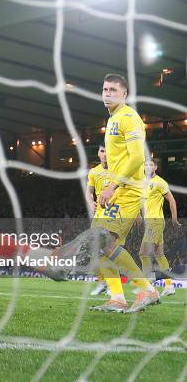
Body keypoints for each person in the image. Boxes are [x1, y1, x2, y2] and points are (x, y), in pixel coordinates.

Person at [86, 73, 158, 312]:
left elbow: (138, 157)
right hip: (117, 191)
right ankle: (117, 298)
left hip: (127, 190)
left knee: (105, 242)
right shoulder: (114, 118)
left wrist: (111, 185)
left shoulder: (129, 117)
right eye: (105, 89)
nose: (107, 93)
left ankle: (146, 289)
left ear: (124, 94)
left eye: (113, 90)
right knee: (98, 243)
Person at [139, 158, 181, 296]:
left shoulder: (160, 182)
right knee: (159, 255)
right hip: (150, 221)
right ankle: (169, 287)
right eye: (146, 164)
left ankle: (148, 283)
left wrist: (174, 218)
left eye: (151, 164)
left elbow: (172, 200)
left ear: (155, 167)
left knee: (143, 253)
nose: (148, 166)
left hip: (155, 221)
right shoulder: (142, 182)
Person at [85, 145, 111, 296]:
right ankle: (102, 282)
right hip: (99, 216)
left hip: (115, 215)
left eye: (108, 150)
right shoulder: (94, 172)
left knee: (110, 251)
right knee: (91, 249)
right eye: (102, 151)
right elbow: (89, 192)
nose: (105, 154)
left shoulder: (119, 170)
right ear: (98, 153)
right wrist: (90, 202)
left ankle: (114, 287)